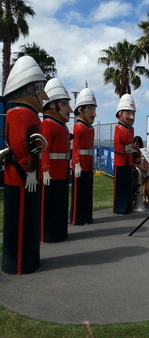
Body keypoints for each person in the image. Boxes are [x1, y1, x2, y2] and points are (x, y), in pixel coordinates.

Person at [2, 56, 48, 274]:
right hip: (21, 176)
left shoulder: (26, 112)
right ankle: (20, 264)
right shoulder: (21, 112)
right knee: (21, 219)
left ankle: (27, 260)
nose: (44, 96)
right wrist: (29, 169)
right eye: (41, 88)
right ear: (30, 88)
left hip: (27, 174)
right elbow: (20, 144)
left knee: (28, 218)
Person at [40, 78, 73, 242]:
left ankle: (60, 231)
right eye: (65, 104)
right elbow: (44, 149)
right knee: (50, 204)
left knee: (60, 203)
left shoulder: (62, 126)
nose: (70, 109)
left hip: (62, 171)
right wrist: (45, 169)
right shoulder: (48, 124)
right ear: (53, 105)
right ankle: (49, 233)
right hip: (52, 172)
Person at [70, 88, 97, 225]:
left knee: (87, 192)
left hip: (88, 164)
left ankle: (87, 216)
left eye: (94, 109)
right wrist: (76, 162)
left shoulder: (90, 128)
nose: (94, 113)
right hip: (80, 165)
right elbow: (75, 147)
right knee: (78, 193)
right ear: (81, 110)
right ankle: (77, 217)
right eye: (90, 109)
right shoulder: (78, 127)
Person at [113, 94, 136, 214]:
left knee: (128, 185)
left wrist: (131, 150)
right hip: (120, 162)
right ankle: (119, 207)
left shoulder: (131, 130)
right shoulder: (118, 128)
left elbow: (129, 145)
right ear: (120, 114)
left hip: (128, 161)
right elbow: (117, 146)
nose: (131, 117)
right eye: (128, 113)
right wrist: (126, 149)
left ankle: (127, 206)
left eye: (133, 113)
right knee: (120, 186)